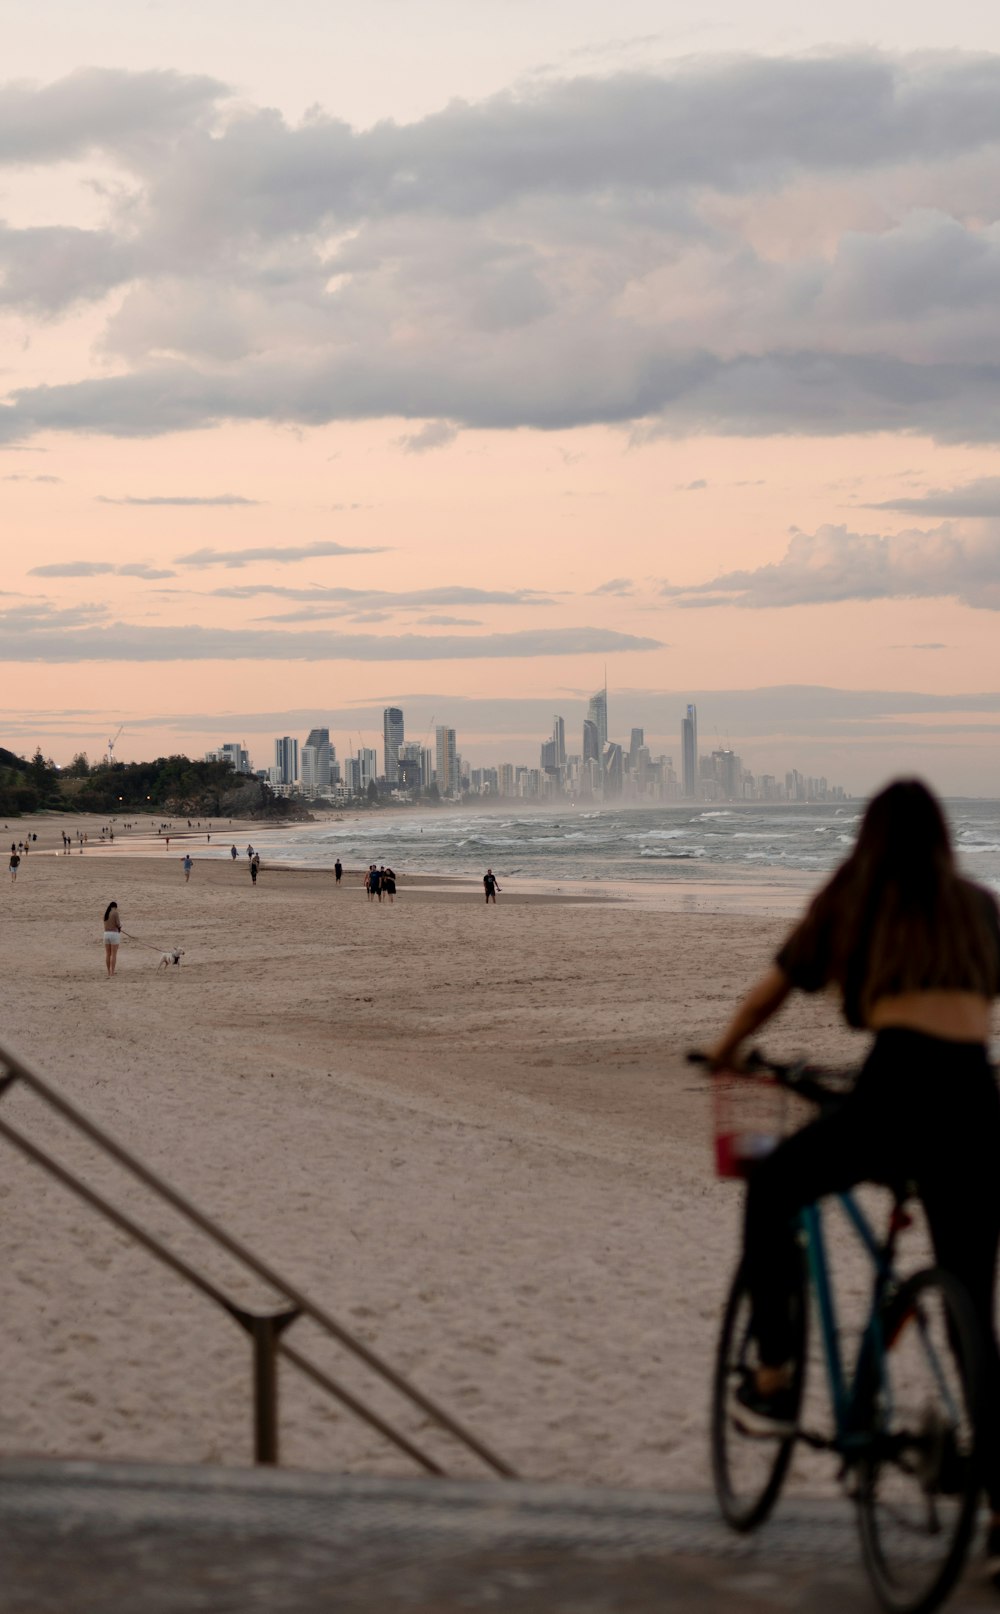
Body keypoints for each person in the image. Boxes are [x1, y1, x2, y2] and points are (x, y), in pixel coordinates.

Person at [705, 780, 1000, 1538]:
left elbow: (771, 992)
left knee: (774, 1182)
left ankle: (772, 1377)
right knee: (973, 1309)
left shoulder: (855, 894)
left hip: (898, 1086)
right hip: (976, 1102)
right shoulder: (978, 907)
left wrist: (726, 1053)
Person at [103, 901, 122, 976]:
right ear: (115, 907)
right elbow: (118, 924)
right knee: (114, 954)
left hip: (106, 934)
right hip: (114, 934)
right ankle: (112, 972)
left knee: (108, 954)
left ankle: (108, 972)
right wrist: (120, 927)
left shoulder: (106, 913)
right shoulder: (115, 913)